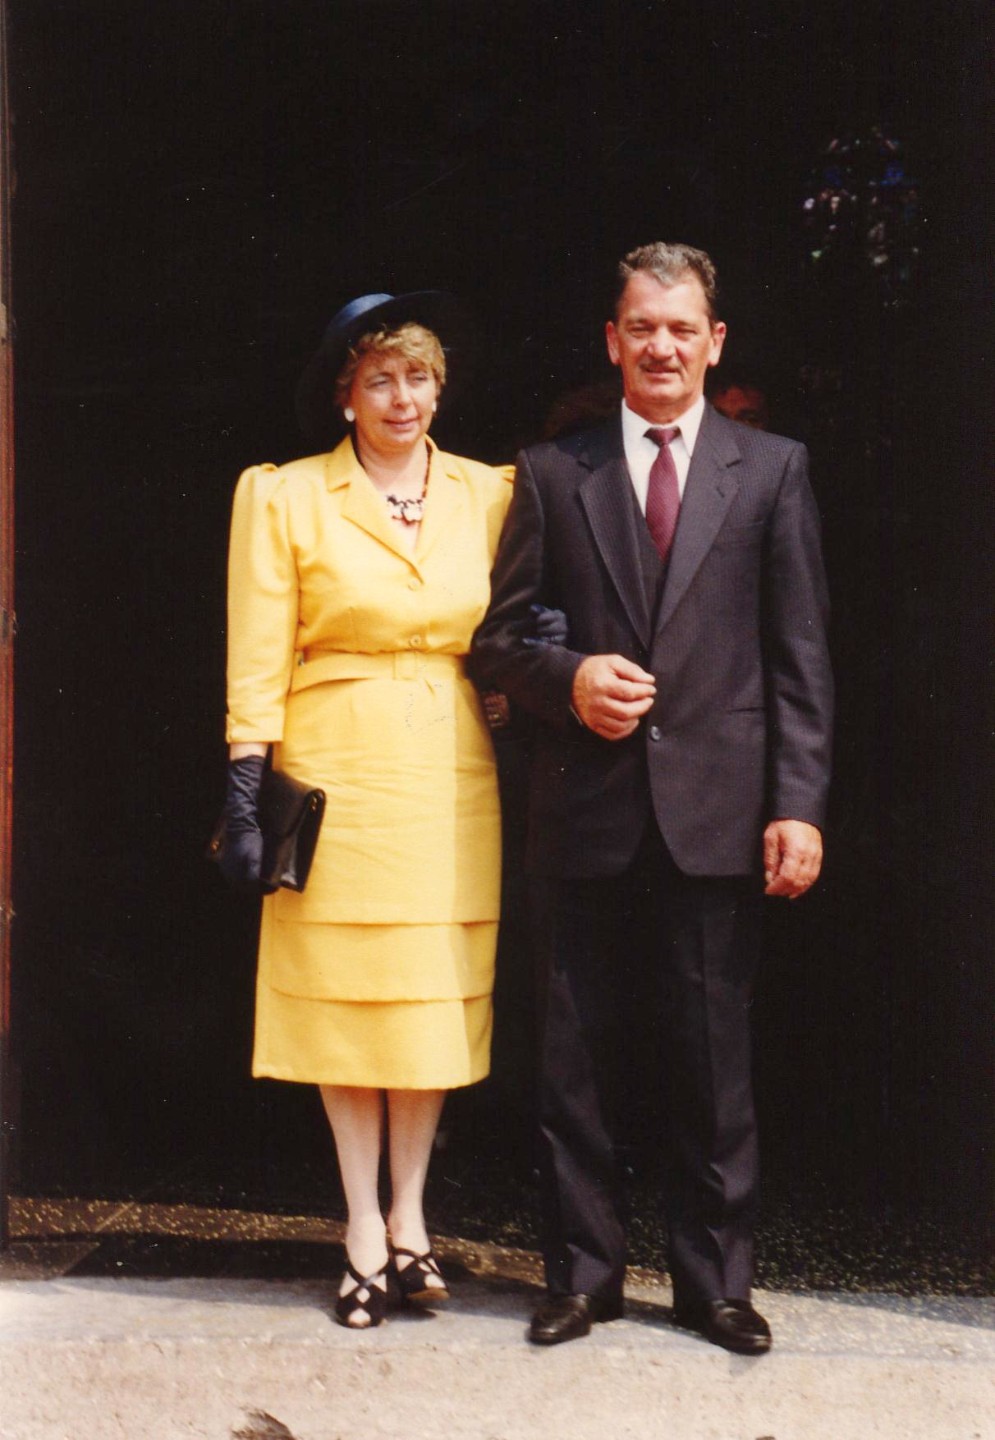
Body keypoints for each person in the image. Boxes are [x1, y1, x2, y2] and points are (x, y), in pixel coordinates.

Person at [469, 243, 833, 1354]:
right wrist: (568, 679)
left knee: (713, 1063)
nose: (661, 347)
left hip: (718, 813)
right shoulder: (551, 471)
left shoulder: (770, 470)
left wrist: (798, 804)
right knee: (571, 1062)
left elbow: (799, 659)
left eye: (681, 329)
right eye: (641, 327)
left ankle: (713, 1286)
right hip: (582, 810)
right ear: (612, 340)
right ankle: (581, 1278)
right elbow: (500, 638)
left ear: (714, 342)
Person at [219, 291, 515, 1329]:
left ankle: (411, 1219)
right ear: (345, 395)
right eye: (379, 378)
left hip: (448, 769)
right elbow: (258, 652)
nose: (401, 397)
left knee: (424, 996)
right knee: (350, 1000)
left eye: (418, 376)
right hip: (335, 768)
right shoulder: (284, 495)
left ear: (441, 387)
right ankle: (357, 1225)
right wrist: (244, 789)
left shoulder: (490, 492)